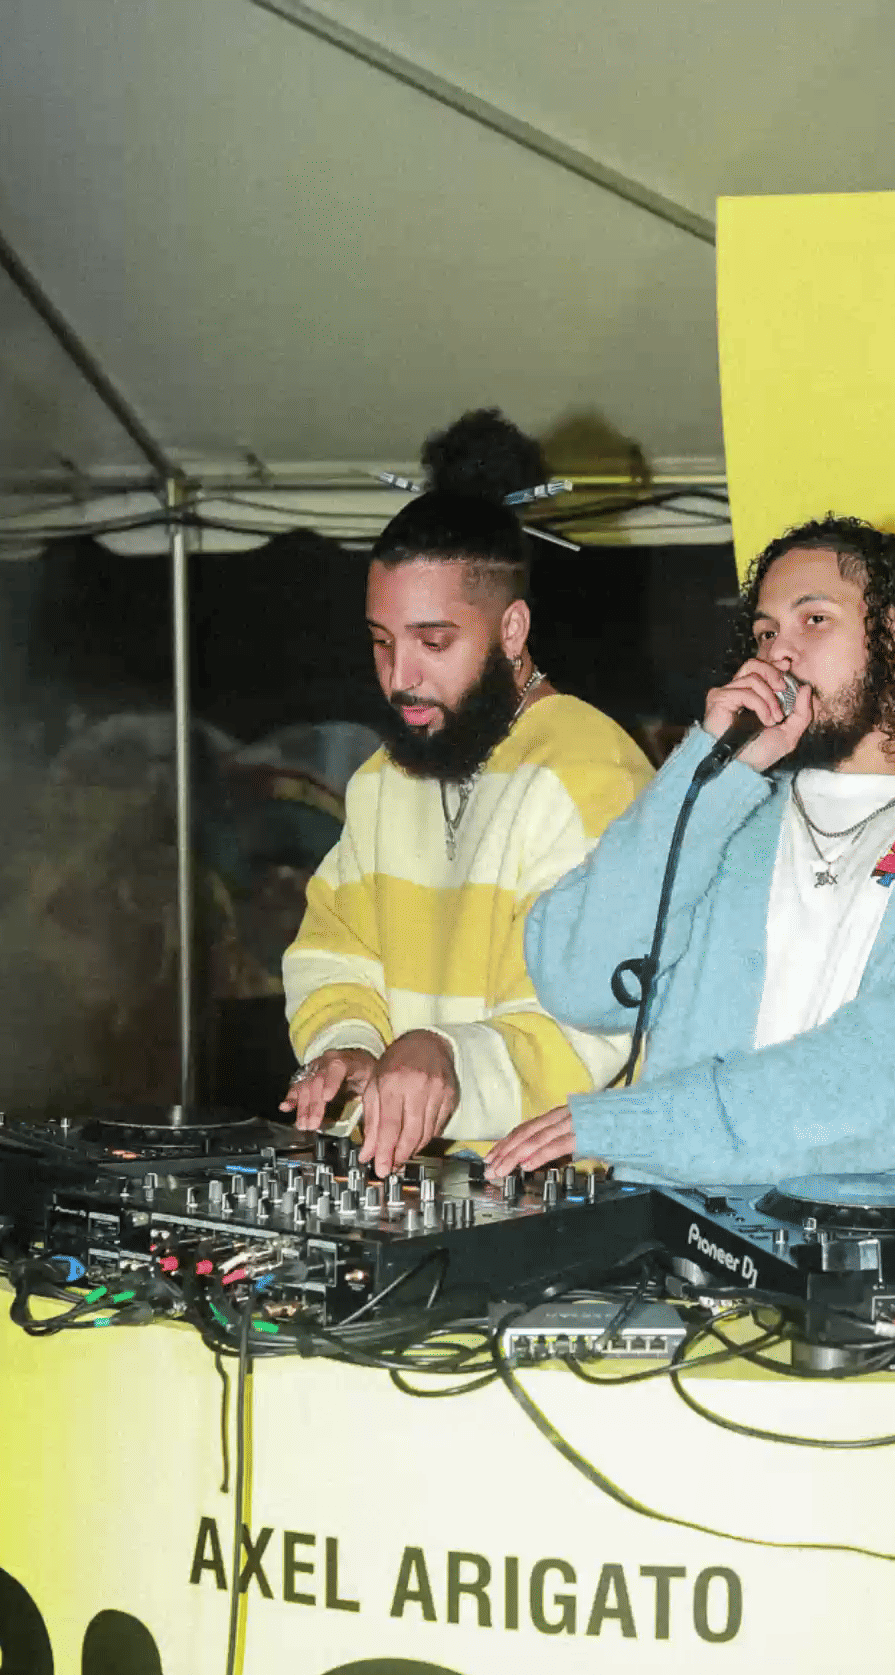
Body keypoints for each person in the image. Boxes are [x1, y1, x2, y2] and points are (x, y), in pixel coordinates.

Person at [485, 516, 895, 1190]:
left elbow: (892, 1071)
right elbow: (577, 979)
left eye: (814, 621)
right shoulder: (728, 812)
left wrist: (644, 1125)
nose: (778, 656)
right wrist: (704, 772)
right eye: (766, 632)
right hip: (682, 1260)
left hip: (881, 1268)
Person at [281, 409, 650, 1174]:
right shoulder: (385, 780)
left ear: (512, 630)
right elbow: (334, 952)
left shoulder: (591, 774)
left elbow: (595, 1021)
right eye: (382, 642)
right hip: (420, 1190)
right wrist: (349, 1047)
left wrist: (443, 1056)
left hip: (569, 1211)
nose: (399, 677)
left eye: (434, 642)